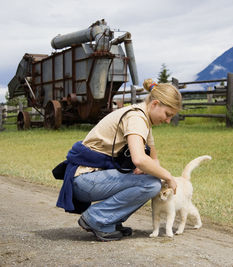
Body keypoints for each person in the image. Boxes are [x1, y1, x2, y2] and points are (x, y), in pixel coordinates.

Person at [56, 78, 182, 241]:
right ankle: (97, 218)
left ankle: (110, 221)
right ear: (155, 104)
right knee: (150, 184)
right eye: (168, 114)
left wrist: (155, 171)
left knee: (151, 180)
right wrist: (168, 176)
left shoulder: (143, 119)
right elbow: (139, 160)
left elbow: (153, 160)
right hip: (84, 179)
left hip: (90, 178)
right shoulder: (137, 119)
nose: (167, 121)